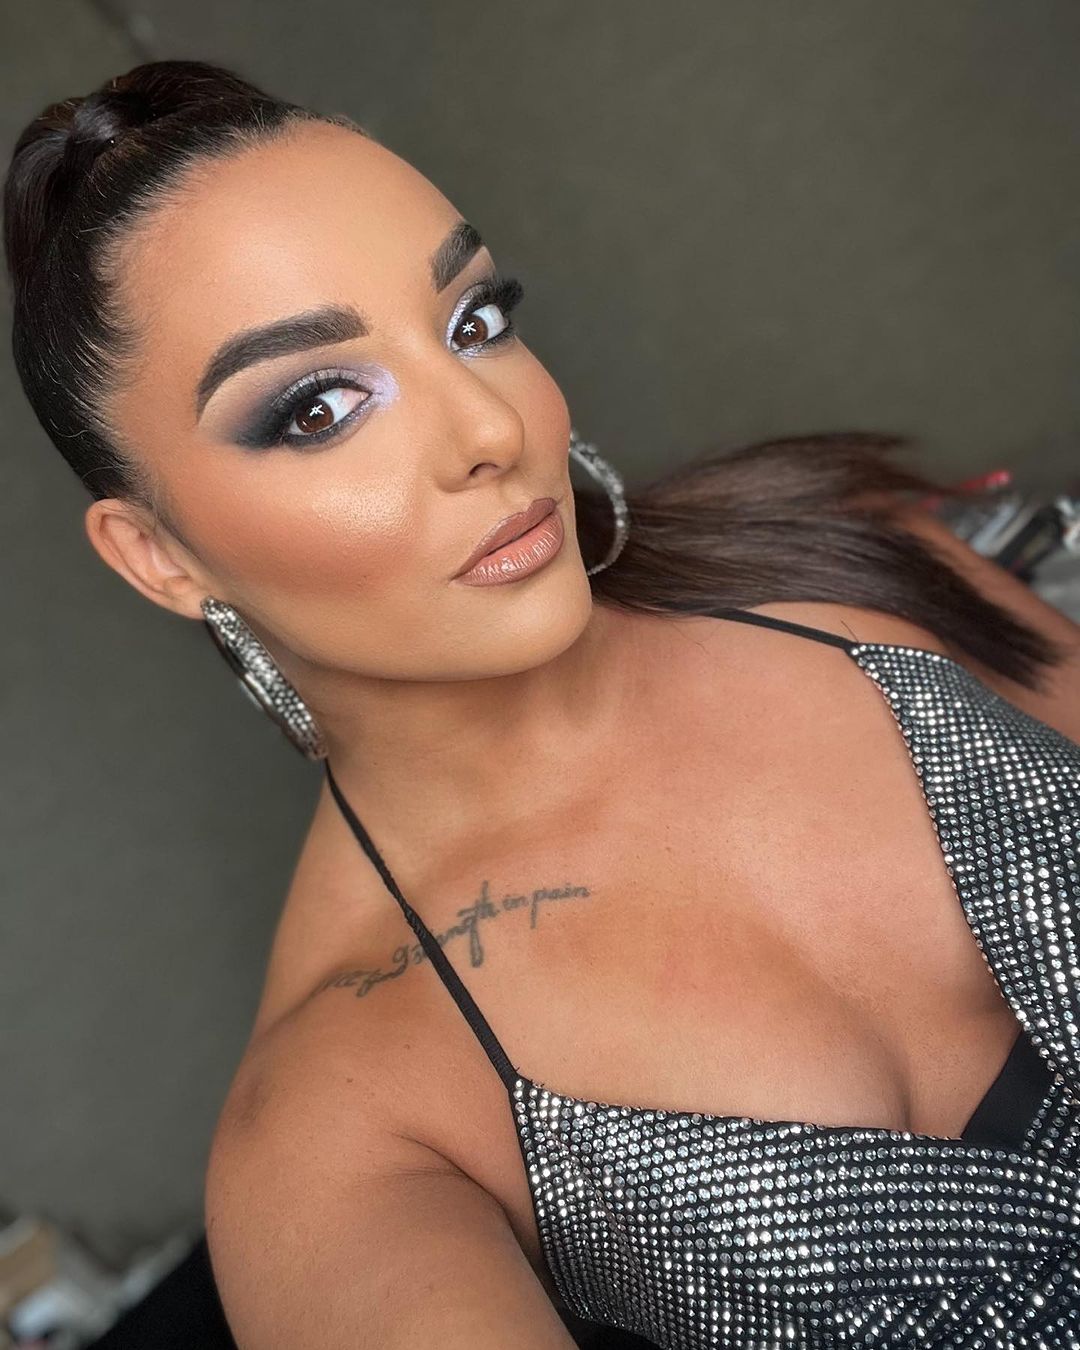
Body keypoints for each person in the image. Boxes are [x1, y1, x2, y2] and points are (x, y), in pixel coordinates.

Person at [5, 58, 1080, 1350]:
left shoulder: (845, 557)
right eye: (320, 407)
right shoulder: (339, 1132)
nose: (490, 430)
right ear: (159, 557)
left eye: (473, 320)